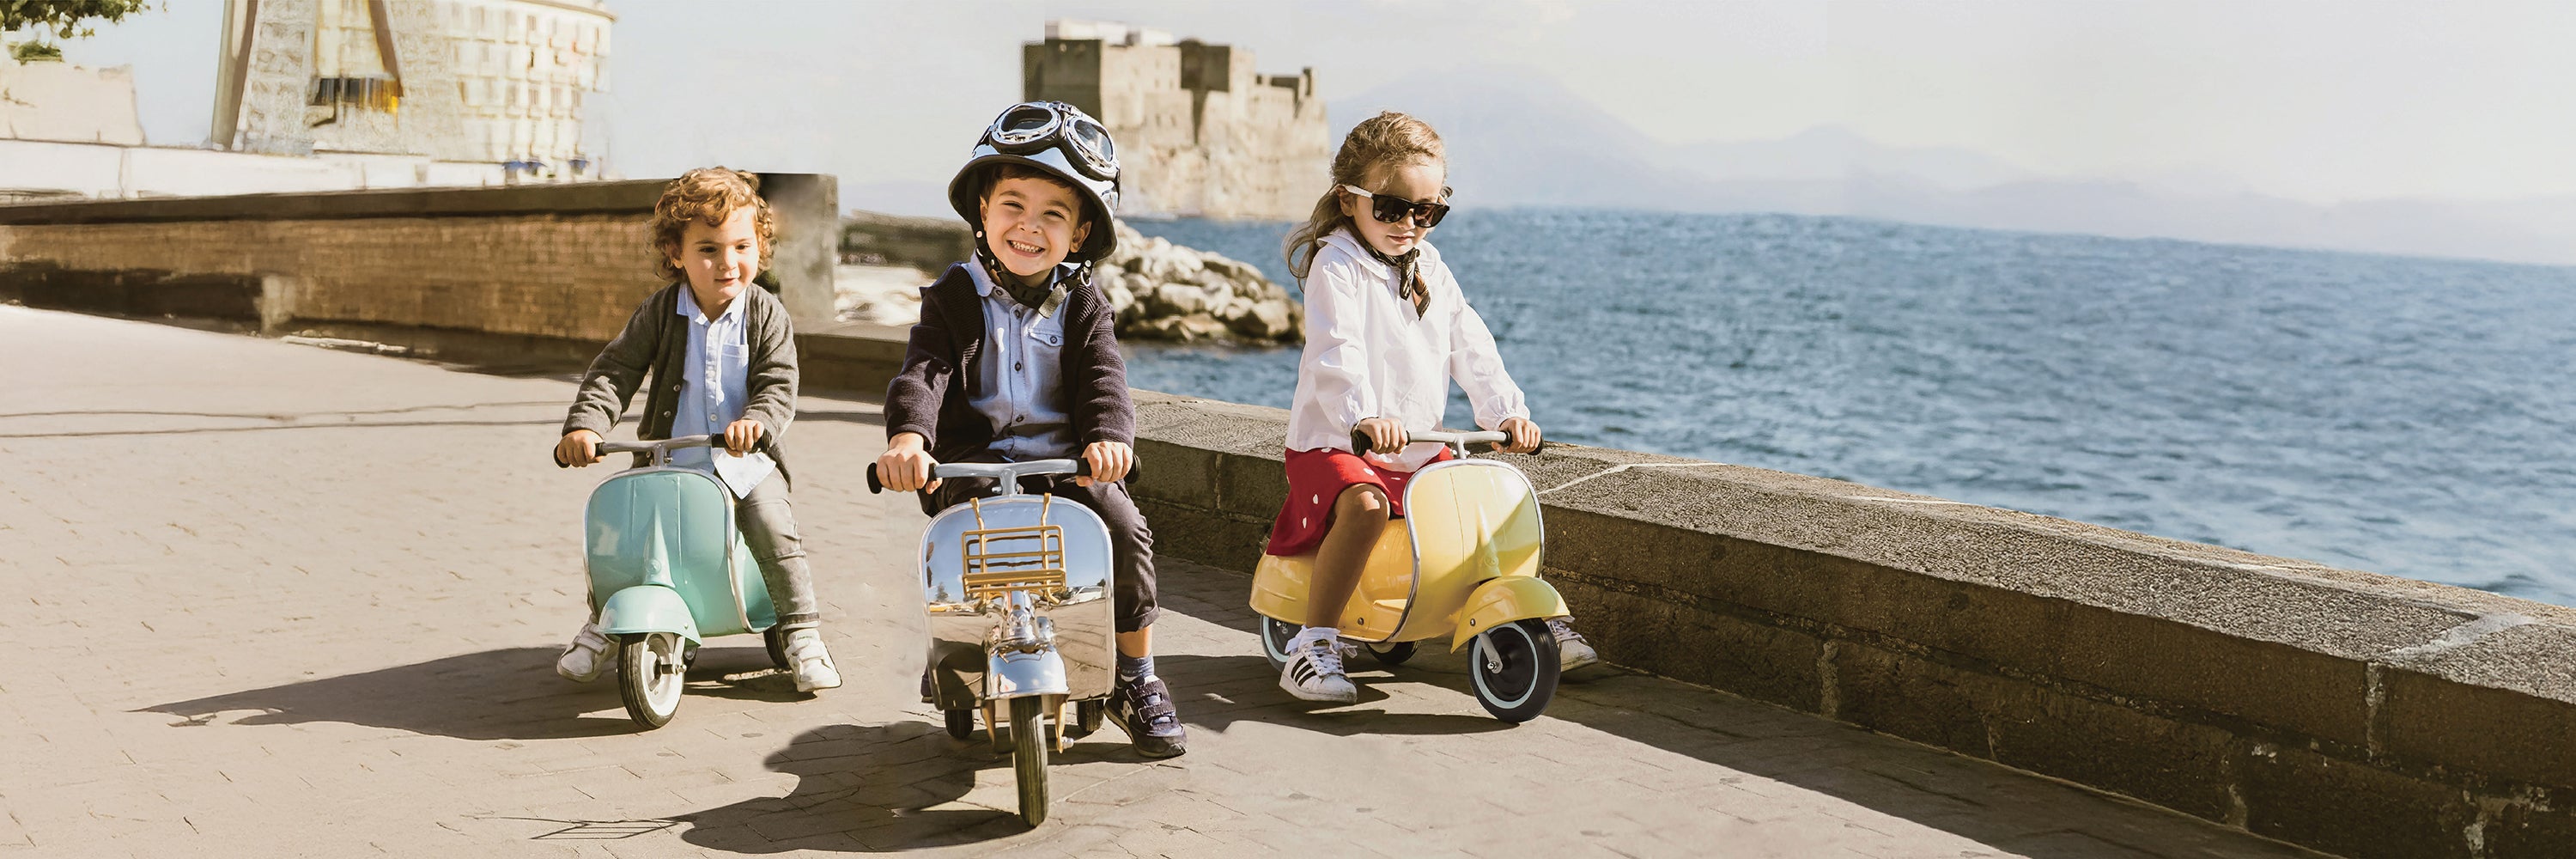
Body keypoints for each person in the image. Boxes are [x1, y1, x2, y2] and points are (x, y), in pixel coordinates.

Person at [876, 101, 1186, 758]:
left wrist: (1109, 441)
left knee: (1122, 533)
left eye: (1053, 215)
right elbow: (924, 372)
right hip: (974, 462)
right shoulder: (951, 297)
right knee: (958, 547)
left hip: (1067, 465)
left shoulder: (1084, 303)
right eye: (1013, 205)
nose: (1029, 226)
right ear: (982, 213)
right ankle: (955, 643)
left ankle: (1136, 675)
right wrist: (910, 440)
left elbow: (1106, 379)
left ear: (1077, 237)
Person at [1266, 111, 1599, 704]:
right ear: (1348, 201)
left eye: (1427, 211)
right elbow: (1333, 353)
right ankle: (1313, 644)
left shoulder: (1431, 267)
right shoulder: (1335, 265)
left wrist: (1505, 411)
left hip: (1415, 442)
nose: (1410, 225)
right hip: (1336, 441)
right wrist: (1363, 415)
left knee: (1477, 502)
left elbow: (1469, 343)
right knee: (1366, 508)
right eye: (1392, 208)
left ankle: (1518, 615)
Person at [550, 168, 840, 692]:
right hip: (670, 456)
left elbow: (779, 382)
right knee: (625, 531)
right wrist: (587, 427)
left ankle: (802, 631)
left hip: (744, 461)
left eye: (741, 246)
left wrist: (757, 423)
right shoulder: (660, 313)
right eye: (708, 249)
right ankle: (602, 622)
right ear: (675, 254)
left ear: (760, 248)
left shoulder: (766, 314)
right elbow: (615, 372)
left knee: (773, 525)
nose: (727, 263)